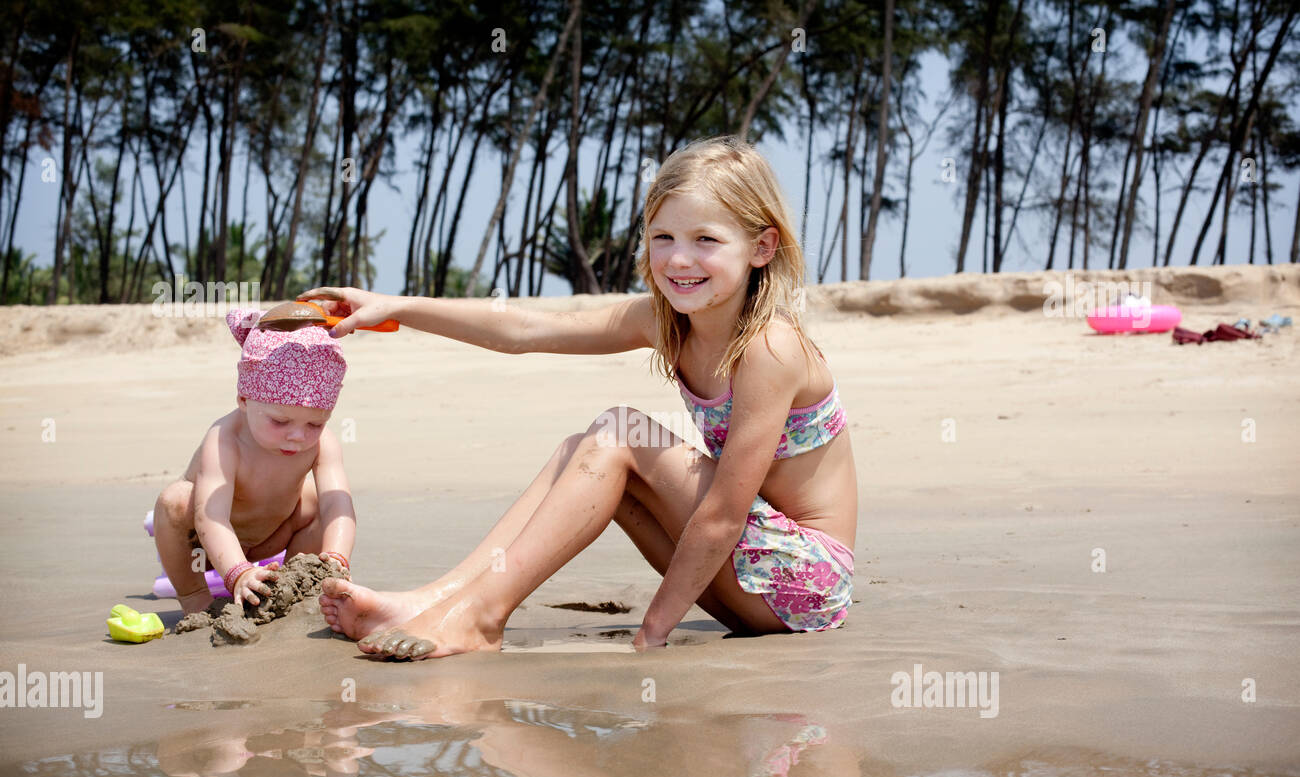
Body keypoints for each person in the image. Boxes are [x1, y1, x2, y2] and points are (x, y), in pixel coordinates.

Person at [312, 134, 857, 659]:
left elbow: (721, 515)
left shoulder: (770, 347)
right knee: (585, 450)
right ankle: (435, 601)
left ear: (761, 247)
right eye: (663, 237)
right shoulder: (665, 321)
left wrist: (653, 632)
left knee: (620, 431)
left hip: (805, 586)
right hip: (744, 582)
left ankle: (480, 619)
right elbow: (526, 331)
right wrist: (396, 306)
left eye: (706, 240)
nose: (679, 260)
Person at [152, 309, 357, 614]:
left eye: (315, 424)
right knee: (175, 500)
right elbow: (211, 516)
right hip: (204, 543)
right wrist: (238, 572)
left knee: (317, 501)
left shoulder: (322, 443)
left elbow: (338, 506)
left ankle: (294, 584)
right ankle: (195, 598)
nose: (297, 437)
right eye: (280, 421)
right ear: (244, 400)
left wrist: (336, 559)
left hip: (271, 535)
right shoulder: (224, 438)